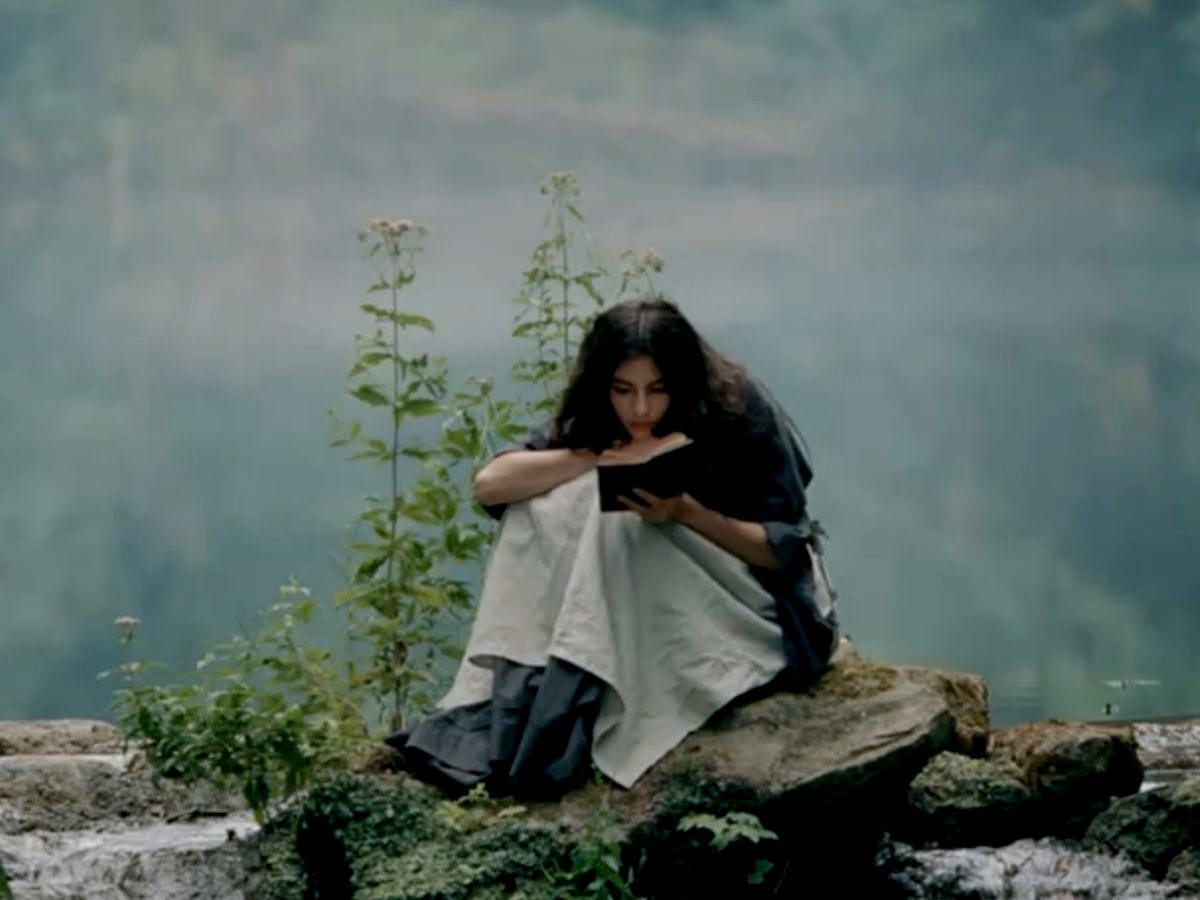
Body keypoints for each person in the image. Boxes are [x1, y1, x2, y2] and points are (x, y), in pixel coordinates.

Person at [389, 296, 839, 798]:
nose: (640, 409)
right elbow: (493, 485)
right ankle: (531, 698)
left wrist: (686, 512)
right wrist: (601, 456)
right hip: (647, 596)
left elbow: (782, 554)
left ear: (684, 381)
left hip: (756, 604)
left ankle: (566, 714)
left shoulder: (737, 408)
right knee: (545, 504)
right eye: (623, 390)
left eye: (658, 390)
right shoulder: (602, 415)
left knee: (617, 524)